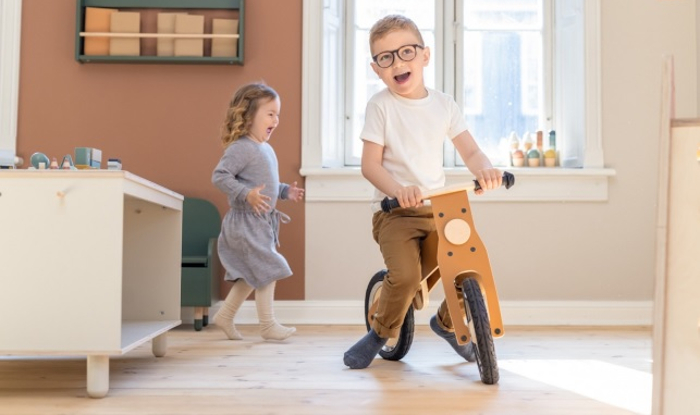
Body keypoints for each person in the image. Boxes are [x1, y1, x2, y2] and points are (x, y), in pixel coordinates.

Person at [343, 15, 503, 369]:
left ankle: (448, 325)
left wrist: (485, 170)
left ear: (425, 56)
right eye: (386, 58)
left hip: (438, 209)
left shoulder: (444, 105)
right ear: (376, 69)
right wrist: (399, 191)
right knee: (407, 276)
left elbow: (471, 152)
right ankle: (380, 332)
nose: (398, 62)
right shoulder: (380, 106)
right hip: (394, 213)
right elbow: (370, 165)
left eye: (406, 52)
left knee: (466, 266)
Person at [212, 82, 304, 341]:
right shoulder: (241, 147)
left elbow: (266, 184)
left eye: (278, 114)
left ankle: (226, 315)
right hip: (244, 222)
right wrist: (246, 194)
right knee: (269, 268)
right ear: (249, 115)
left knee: (253, 274)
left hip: (260, 222)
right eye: (270, 113)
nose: (276, 119)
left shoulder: (265, 148)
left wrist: (286, 192)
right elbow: (219, 177)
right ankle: (268, 325)